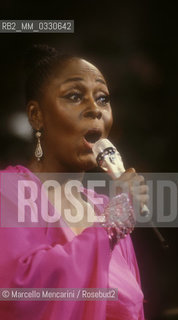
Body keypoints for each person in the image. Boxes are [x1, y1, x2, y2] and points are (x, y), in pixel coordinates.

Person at [0, 45, 148, 319]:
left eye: (103, 98)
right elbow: (18, 294)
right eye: (75, 96)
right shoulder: (7, 191)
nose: (95, 109)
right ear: (36, 115)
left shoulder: (107, 209)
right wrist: (111, 226)